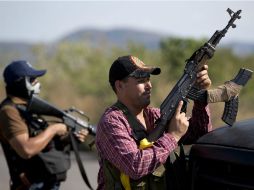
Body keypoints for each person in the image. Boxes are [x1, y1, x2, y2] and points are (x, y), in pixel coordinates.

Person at [95, 55, 212, 189]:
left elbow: (201, 133)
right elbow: (135, 166)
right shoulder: (112, 122)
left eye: (148, 79)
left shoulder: (154, 115)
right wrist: (173, 137)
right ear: (120, 85)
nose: (149, 85)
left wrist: (200, 94)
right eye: (141, 80)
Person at [0, 60, 89, 190]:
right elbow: (27, 150)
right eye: (33, 80)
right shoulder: (9, 111)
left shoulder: (25, 108)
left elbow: (41, 141)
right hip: (31, 185)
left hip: (45, 182)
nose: (37, 84)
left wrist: (71, 138)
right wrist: (53, 129)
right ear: (20, 83)